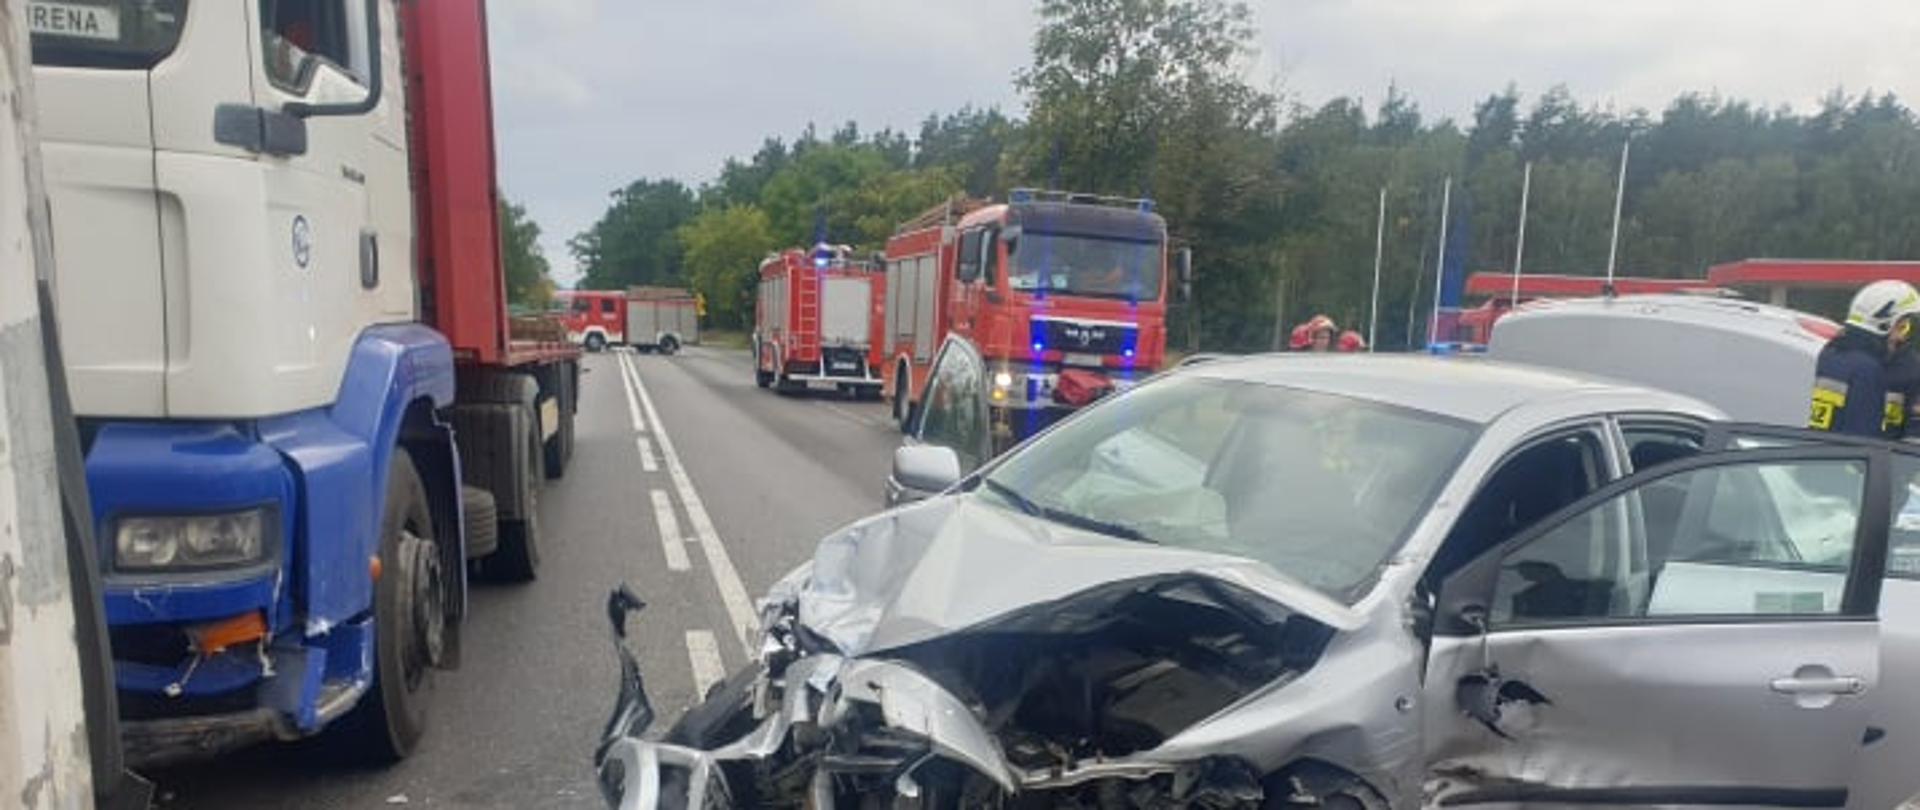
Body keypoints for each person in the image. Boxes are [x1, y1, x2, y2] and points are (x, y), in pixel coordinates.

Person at [1811, 280, 1920, 437]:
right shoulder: (1867, 370)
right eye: (1901, 327)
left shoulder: (1831, 355)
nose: (1902, 338)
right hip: (1863, 459)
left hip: (1822, 454)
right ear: (1882, 325)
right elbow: (1863, 439)